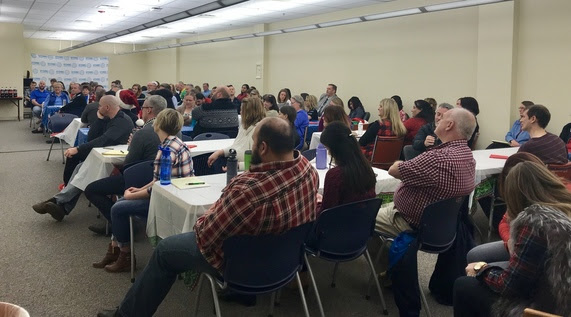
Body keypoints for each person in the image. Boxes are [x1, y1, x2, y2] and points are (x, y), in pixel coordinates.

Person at [96, 117, 318, 317]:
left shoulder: (246, 190)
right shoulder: (308, 171)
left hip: (240, 265)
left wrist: (207, 214)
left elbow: (205, 237)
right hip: (285, 261)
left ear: (263, 147)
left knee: (165, 251)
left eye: (252, 143)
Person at [376, 108, 477, 316]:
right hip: (442, 228)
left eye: (441, 118)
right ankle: (389, 272)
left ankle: (387, 273)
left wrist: (400, 163)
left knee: (365, 217)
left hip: (408, 221)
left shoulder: (438, 159)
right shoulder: (468, 156)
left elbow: (394, 170)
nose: (436, 121)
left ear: (449, 126)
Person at [453, 161, 571, 317]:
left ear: (514, 194)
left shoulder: (536, 223)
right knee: (478, 258)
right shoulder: (562, 208)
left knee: (463, 285)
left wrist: (481, 269)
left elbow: (510, 285)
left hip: (547, 307)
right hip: (559, 292)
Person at [94, 109, 193, 273]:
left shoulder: (166, 151)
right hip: (176, 197)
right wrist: (139, 189)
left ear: (157, 125)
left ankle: (123, 253)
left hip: (167, 201)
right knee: (121, 204)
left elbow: (160, 187)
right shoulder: (177, 144)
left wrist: (132, 194)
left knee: (118, 207)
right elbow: (159, 181)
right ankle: (116, 250)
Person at [32, 96, 134, 222]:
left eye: (100, 106)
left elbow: (104, 140)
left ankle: (57, 201)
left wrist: (78, 149)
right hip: (103, 157)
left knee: (83, 169)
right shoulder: (108, 118)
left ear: (107, 107)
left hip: (116, 163)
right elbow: (92, 137)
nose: (98, 108)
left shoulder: (122, 121)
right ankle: (62, 208)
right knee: (80, 168)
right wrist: (100, 119)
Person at [84, 95, 167, 235]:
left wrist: (130, 146)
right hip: (161, 181)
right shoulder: (174, 131)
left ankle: (119, 224)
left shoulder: (142, 133)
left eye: (143, 107)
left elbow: (129, 165)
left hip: (138, 181)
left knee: (91, 189)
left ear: (149, 110)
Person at [466, 152, 545, 266]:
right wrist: (510, 241)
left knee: (464, 281)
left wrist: (482, 271)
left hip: (542, 267)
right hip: (519, 246)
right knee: (474, 255)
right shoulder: (521, 200)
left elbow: (513, 278)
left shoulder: (540, 219)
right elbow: (504, 222)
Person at [318, 122, 376, 215]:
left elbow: (326, 213)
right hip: (361, 223)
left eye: (328, 149)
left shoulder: (335, 175)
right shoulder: (367, 169)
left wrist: (317, 204)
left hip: (337, 225)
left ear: (335, 150)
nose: (328, 153)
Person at [207, 97, 266, 168]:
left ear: (249, 112)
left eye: (242, 110)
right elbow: (236, 146)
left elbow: (260, 163)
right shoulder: (244, 127)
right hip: (235, 163)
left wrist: (237, 165)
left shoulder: (259, 131)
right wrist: (220, 152)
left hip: (244, 169)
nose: (240, 112)